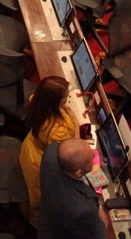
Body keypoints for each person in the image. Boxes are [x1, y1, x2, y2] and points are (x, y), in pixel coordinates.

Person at [19, 76, 78, 221]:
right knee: (43, 202)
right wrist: (76, 123)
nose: (67, 98)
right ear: (54, 103)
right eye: (65, 97)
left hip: (30, 148)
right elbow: (71, 149)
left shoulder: (37, 101)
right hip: (41, 164)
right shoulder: (57, 130)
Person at [37, 138, 107, 239]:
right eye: (91, 159)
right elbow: (99, 233)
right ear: (78, 173)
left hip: (46, 220)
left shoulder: (51, 152)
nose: (93, 154)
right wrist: (100, 215)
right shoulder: (82, 210)